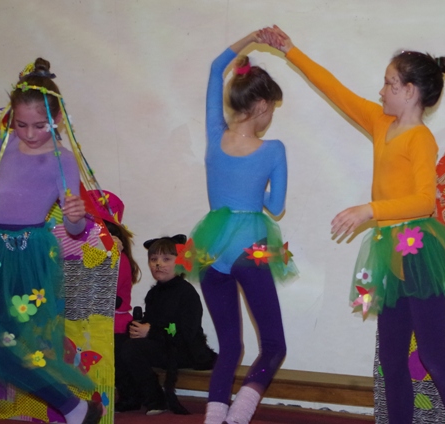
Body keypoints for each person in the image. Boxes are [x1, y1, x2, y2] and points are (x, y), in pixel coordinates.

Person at [259, 26, 445, 424]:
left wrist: (370, 210)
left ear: (409, 91)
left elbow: (425, 201)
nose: (381, 92)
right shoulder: (382, 124)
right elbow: (335, 90)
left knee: (434, 355)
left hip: (418, 251)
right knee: (391, 359)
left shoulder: (420, 139)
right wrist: (291, 50)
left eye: (388, 83)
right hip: (391, 252)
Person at [182, 32, 297, 424]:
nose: (270, 118)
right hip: (252, 249)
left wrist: (251, 39)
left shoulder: (215, 135)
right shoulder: (273, 150)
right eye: (271, 110)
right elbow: (276, 206)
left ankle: (215, 419)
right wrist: (253, 193)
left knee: (230, 347)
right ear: (261, 105)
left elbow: (217, 68)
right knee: (274, 345)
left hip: (210, 249)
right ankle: (239, 415)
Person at [0, 59, 102, 423]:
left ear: (56, 120)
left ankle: (73, 407)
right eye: (21, 124)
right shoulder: (5, 143)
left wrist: (75, 215)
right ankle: (75, 409)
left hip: (25, 257)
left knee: (7, 343)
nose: (29, 133)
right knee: (0, 343)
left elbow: (73, 227)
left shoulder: (61, 159)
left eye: (39, 125)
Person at [116, 234, 217, 415]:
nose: (158, 264)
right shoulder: (154, 293)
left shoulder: (186, 293)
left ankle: (157, 400)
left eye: (166, 259)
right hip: (162, 345)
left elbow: (185, 333)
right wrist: (137, 327)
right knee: (118, 342)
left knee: (132, 348)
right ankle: (130, 397)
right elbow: (154, 322)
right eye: (153, 259)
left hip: (184, 350)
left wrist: (151, 331)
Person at [86, 189, 142, 409]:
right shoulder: (100, 255)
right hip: (100, 322)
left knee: (116, 367)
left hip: (113, 326)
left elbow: (105, 290)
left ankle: (130, 397)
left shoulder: (116, 258)